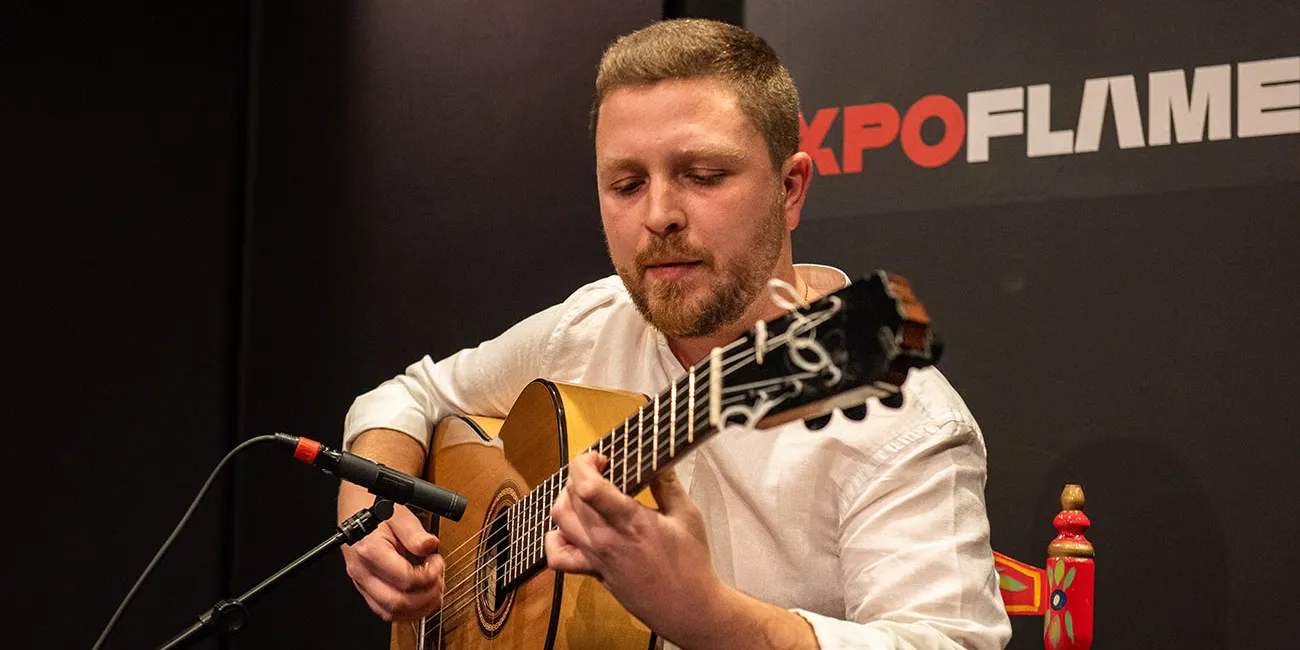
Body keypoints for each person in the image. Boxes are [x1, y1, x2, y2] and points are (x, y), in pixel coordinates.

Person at [337, 18, 1012, 650]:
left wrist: (711, 619)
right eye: (627, 185)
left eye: (703, 175)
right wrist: (370, 502)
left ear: (792, 188)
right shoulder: (592, 325)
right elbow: (411, 394)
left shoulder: (905, 423)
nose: (659, 215)